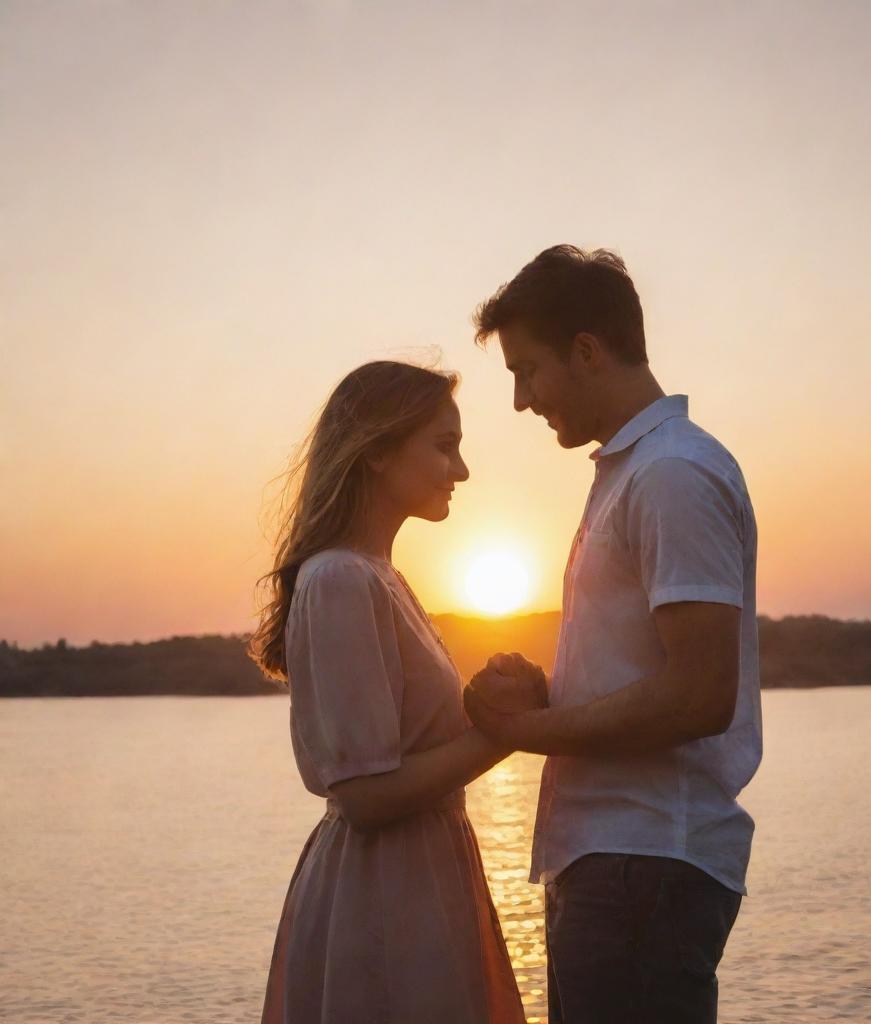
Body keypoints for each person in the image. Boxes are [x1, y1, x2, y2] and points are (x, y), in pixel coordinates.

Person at [464, 245, 762, 1024]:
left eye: (528, 371)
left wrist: (533, 728)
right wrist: (548, 689)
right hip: (619, 863)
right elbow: (650, 673)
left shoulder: (671, 475)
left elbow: (700, 695)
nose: (524, 401)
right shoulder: (635, 475)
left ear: (587, 352)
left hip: (646, 864)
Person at [249, 361, 533, 1024]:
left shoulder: (378, 577)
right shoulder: (342, 580)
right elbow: (365, 796)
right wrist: (502, 732)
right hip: (385, 896)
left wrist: (500, 698)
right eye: (444, 445)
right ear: (377, 450)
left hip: (417, 879)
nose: (460, 470)